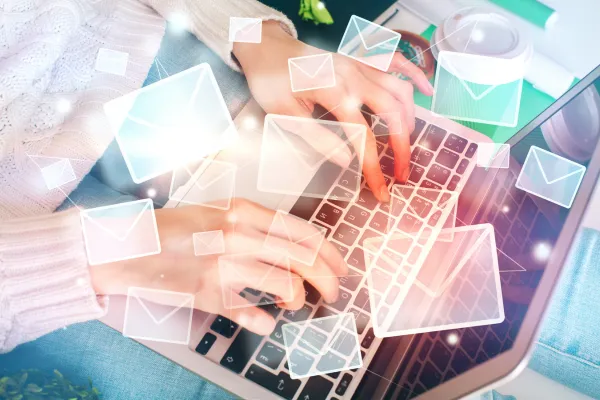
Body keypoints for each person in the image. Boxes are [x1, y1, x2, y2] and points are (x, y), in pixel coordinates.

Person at [0, 0, 431, 369]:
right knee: (254, 361)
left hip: (129, 32)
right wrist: (96, 257)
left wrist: (259, 39)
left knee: (356, 153)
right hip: (24, 247)